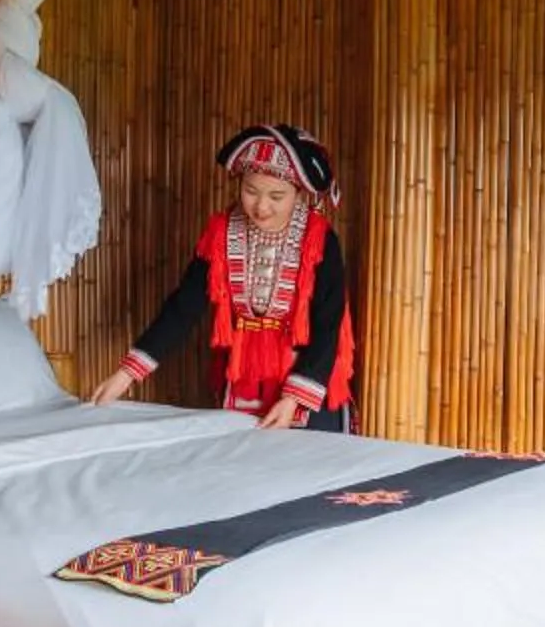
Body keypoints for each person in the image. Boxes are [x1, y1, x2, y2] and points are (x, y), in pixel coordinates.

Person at [92, 123, 357, 431]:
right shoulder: (222, 234)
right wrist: (128, 373)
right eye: (251, 191)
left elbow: (328, 325)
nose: (261, 206)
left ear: (299, 194)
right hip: (244, 374)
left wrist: (294, 399)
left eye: (277, 196)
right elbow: (184, 307)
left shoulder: (319, 239)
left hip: (309, 376)